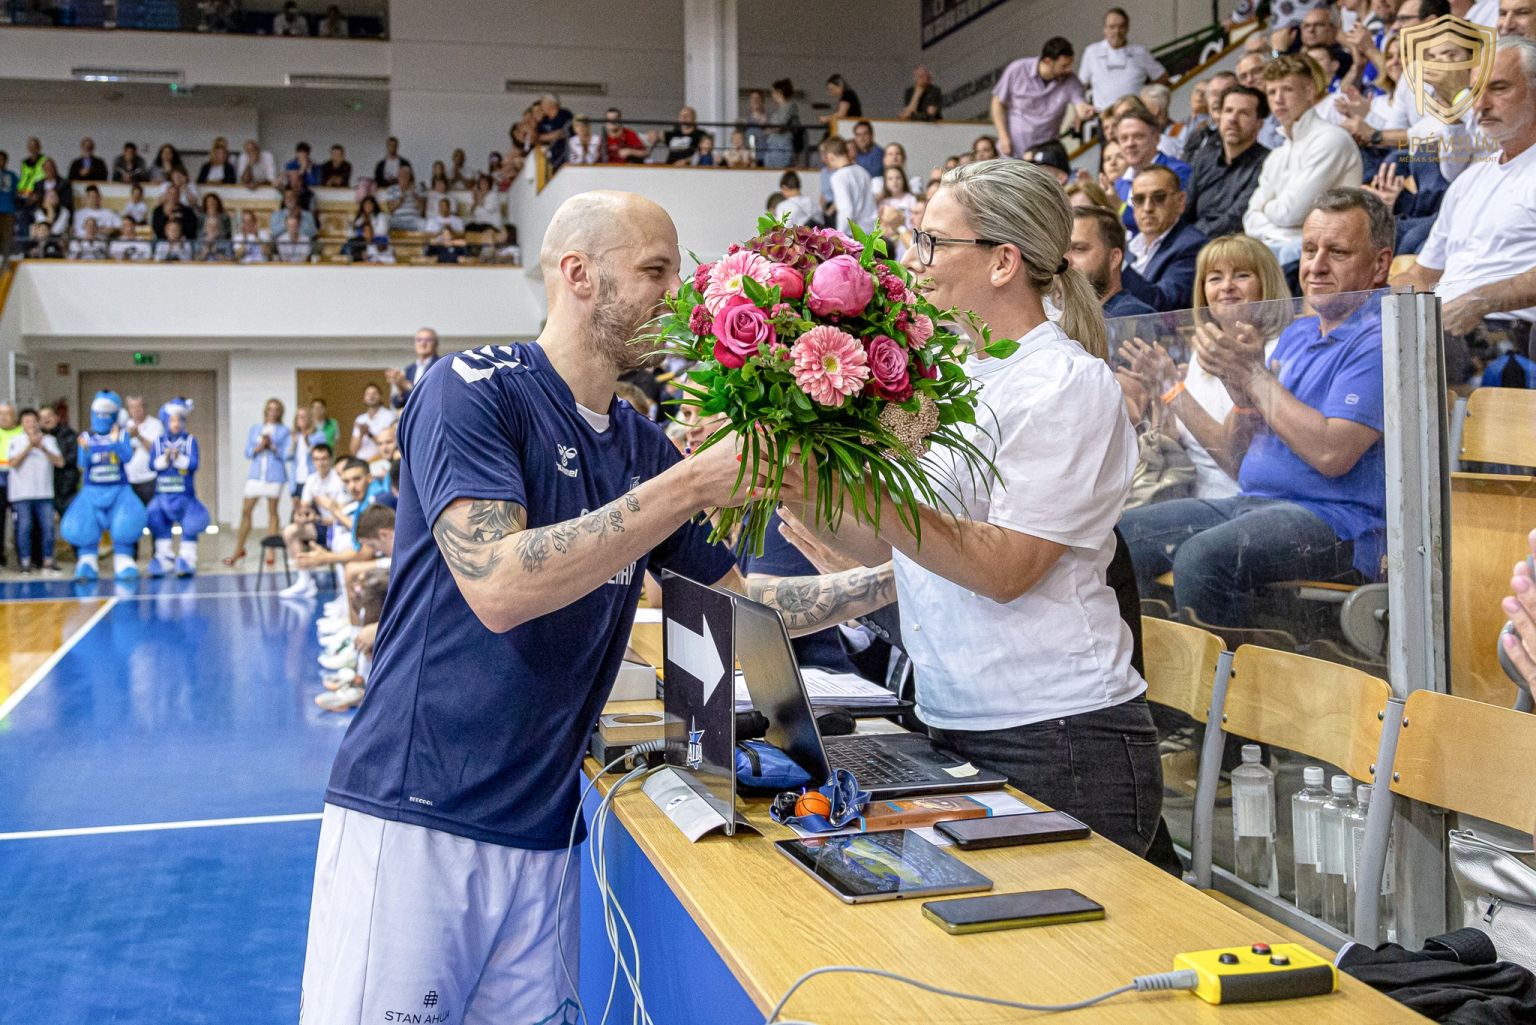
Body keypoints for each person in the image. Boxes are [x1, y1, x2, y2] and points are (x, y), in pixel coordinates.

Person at [298, 190, 893, 1022]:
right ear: (578, 273)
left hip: (544, 829)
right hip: (422, 815)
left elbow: (742, 604)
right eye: (655, 272)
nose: (677, 298)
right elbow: (499, 583)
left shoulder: (643, 447)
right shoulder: (470, 388)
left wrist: (902, 578)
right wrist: (690, 483)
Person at [783, 159, 1161, 861]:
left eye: (933, 242)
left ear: (1003, 262)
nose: (914, 260)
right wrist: (798, 484)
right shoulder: (957, 376)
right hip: (954, 714)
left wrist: (871, 493)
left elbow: (1006, 568)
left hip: (1058, 733)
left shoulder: (1065, 384)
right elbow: (887, 543)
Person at [1120, 188, 1392, 625]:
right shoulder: (1299, 334)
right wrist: (1239, 395)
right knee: (1122, 538)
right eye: (1309, 250)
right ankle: (1156, 662)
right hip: (1254, 501)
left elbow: (1332, 453)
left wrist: (1251, 376)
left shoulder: (1383, 337)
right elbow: (1236, 456)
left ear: (1380, 265)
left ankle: (1236, 668)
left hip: (1339, 522)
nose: (1316, 266)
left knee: (1203, 557)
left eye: (1337, 252)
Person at [1392, 38, 1536, 370]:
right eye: (1475, 91)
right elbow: (1421, 273)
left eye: (1498, 88)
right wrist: (1405, 302)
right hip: (1445, 330)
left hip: (1509, 332)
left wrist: (1479, 300)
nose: (1481, 104)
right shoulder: (1469, 180)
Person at [1119, 234, 1293, 499]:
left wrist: (1172, 389)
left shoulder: (1276, 352)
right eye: (1215, 278)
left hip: (1236, 501)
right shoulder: (1202, 353)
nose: (1227, 286)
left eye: (1242, 275)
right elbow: (1174, 439)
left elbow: (1233, 460)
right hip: (1186, 493)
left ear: (1266, 284)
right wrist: (1156, 396)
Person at [1244, 55, 1364, 266]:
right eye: (1271, 92)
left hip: (1328, 257)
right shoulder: (1276, 155)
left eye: (1287, 89)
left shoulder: (1330, 139)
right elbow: (1250, 219)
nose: (1278, 99)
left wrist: (1266, 207)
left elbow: (1291, 214)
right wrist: (1277, 220)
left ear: (1309, 91)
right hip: (1282, 251)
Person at [61, 391, 148, 581]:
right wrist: (84, 450)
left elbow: (127, 457)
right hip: (92, 491)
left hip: (119, 490)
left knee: (126, 524)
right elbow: (82, 464)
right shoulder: (86, 436)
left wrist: (116, 442)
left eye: (106, 414)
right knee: (83, 525)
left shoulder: (122, 435)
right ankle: (87, 561)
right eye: (99, 414)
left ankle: (124, 560)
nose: (102, 418)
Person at [1185, 84, 1270, 240]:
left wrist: (1190, 241)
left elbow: (1235, 219)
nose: (1232, 119)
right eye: (1228, 110)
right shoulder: (1205, 159)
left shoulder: (1267, 163)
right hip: (1192, 242)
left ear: (1259, 123)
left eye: (1243, 113)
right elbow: (1185, 210)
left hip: (1233, 245)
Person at [1119, 166, 1208, 311]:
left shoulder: (1193, 245)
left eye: (1159, 197)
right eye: (1139, 199)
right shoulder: (1129, 246)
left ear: (1180, 201)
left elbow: (1164, 305)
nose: (1147, 208)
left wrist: (1116, 266)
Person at [991, 37, 1094, 156]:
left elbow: (1080, 103)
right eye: (1064, 66)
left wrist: (1084, 111)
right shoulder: (1017, 70)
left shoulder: (1070, 80)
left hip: (1046, 151)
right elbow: (997, 102)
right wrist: (1003, 136)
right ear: (1047, 61)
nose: (1069, 70)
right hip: (1013, 149)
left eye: (1070, 64)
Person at [145, 399, 208, 578]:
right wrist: (165, 459)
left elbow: (194, 464)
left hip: (185, 496)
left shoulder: (190, 441)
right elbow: (152, 465)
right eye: (172, 420)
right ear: (166, 421)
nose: (176, 424)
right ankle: (164, 557)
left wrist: (179, 457)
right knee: (157, 520)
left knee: (191, 524)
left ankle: (187, 558)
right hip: (162, 496)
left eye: (179, 420)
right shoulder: (158, 442)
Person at [226, 399, 292, 566]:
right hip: (256, 475)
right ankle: (239, 549)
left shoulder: (284, 431)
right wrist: (260, 446)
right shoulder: (255, 429)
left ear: (280, 412)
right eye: (270, 409)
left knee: (272, 511)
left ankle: (270, 551)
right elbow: (248, 452)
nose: (273, 412)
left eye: (276, 409)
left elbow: (285, 454)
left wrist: (272, 446)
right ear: (265, 410)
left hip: (274, 475)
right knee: (246, 510)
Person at [279, 441, 343, 599]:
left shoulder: (339, 480)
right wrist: (301, 516)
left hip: (339, 526)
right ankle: (305, 581)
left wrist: (317, 518)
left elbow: (342, 516)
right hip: (320, 526)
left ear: (330, 459)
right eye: (316, 459)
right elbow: (305, 507)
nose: (320, 463)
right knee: (290, 531)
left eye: (324, 458)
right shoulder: (311, 480)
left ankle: (343, 592)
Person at [1112, 107, 1193, 232]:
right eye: (1124, 138)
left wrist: (1121, 207)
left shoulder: (1178, 172)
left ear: (1157, 138)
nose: (1130, 144)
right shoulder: (1119, 184)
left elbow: (1164, 225)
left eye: (1138, 136)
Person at [1069, 205, 1157, 318]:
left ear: (1113, 258)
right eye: (1060, 251)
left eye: (1079, 249)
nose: (1064, 260)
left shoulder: (1133, 316)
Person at [7, 407, 62, 573]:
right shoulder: (16, 440)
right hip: (21, 494)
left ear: (38, 422)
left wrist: (42, 447)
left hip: (44, 493)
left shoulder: (49, 440)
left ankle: (48, 560)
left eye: (33, 421)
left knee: (48, 527)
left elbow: (60, 462)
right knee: (24, 527)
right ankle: (25, 561)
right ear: (22, 424)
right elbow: (13, 463)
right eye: (26, 421)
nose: (30, 424)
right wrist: (29, 446)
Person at [1080, 8, 1167, 112]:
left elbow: (1162, 77)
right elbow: (1081, 86)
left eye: (1121, 26)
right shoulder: (1092, 52)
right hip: (1104, 115)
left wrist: (1147, 98)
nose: (1117, 31)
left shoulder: (1140, 52)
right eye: (1112, 27)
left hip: (1134, 114)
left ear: (1127, 28)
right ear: (1105, 29)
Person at [819, 136, 877, 235]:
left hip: (853, 233)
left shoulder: (838, 176)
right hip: (871, 230)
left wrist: (838, 236)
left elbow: (846, 210)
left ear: (830, 156)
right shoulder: (863, 171)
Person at [388, 328, 441, 409]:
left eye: (428, 340)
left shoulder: (440, 366)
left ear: (436, 344)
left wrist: (407, 386)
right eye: (419, 340)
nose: (423, 343)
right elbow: (397, 404)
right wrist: (400, 388)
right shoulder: (409, 370)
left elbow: (434, 397)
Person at [350, 383, 396, 461]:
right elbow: (353, 451)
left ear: (381, 396)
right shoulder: (360, 419)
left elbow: (390, 444)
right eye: (368, 394)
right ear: (364, 399)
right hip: (361, 461)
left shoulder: (389, 416)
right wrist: (361, 433)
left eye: (374, 393)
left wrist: (369, 434)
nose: (371, 396)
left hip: (381, 461)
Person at [763, 79, 801, 169]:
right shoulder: (779, 109)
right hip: (773, 145)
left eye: (773, 92)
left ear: (779, 92)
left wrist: (767, 125)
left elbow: (780, 126)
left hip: (782, 145)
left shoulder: (789, 106)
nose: (772, 94)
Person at [535, 94, 576, 168]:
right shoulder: (544, 119)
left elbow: (560, 134)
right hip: (551, 155)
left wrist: (545, 137)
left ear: (551, 104)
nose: (541, 106)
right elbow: (536, 137)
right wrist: (549, 136)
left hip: (566, 154)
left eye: (543, 103)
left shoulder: (565, 114)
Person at [0, 151, 17, 257]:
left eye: (1, 159)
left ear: (5, 161)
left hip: (8, 209)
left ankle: (6, 262)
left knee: (7, 238)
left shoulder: (11, 175)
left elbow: (18, 190)